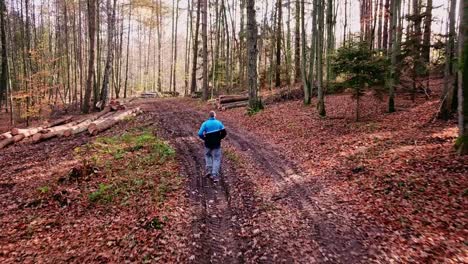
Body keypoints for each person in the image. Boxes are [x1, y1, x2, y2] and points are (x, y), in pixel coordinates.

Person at [197, 111, 227, 182]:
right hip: (216, 144)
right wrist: (219, 138)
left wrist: (204, 138)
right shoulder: (219, 123)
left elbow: (200, 133)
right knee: (216, 158)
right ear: (214, 116)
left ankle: (208, 171)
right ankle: (214, 175)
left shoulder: (205, 123)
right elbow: (224, 133)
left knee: (208, 156)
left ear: (209, 116)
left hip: (208, 144)